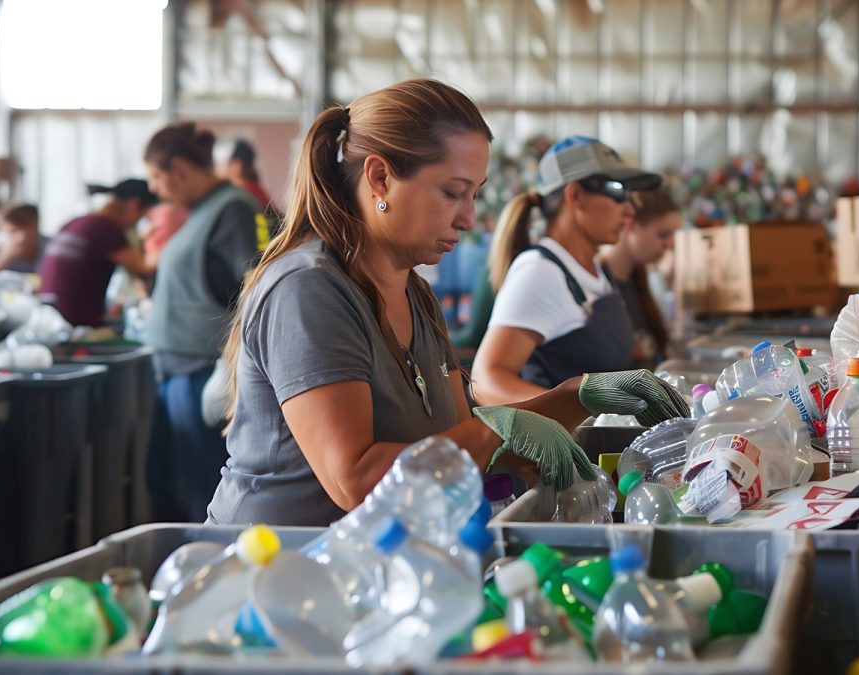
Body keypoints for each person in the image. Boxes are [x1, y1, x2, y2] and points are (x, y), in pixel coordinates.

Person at [206, 80, 688, 526]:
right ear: (380, 179)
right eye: (453, 193)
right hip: (277, 571)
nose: (468, 217)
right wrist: (505, 428)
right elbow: (354, 479)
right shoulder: (309, 290)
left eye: (474, 195)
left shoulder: (413, 292)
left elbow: (463, 441)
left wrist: (572, 397)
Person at [470, 136, 663, 406]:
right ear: (575, 196)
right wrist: (584, 419)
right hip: (566, 445)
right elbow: (486, 380)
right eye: (618, 191)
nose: (629, 209)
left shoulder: (596, 270)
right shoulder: (540, 272)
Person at [143, 122, 269, 521]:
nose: (154, 189)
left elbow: (258, 286)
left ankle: (207, 566)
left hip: (200, 371)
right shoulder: (200, 213)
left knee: (200, 487)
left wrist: (232, 361)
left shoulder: (233, 209)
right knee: (177, 481)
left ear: (180, 169)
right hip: (177, 367)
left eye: (157, 177)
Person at [38, 181, 158, 327]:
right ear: (134, 205)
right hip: (78, 325)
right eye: (142, 218)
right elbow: (143, 269)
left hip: (49, 318)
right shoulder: (106, 228)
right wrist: (158, 239)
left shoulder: (76, 222)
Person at [599, 187, 682, 371]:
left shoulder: (639, 279)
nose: (670, 244)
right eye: (663, 234)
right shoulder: (598, 285)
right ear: (630, 225)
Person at [216, 138, 273, 210]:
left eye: (221, 163)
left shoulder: (244, 194)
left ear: (237, 165)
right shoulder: (252, 188)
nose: (217, 168)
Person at [0, 204, 47, 274]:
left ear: (36, 225)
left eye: (27, 229)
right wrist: (4, 258)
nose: (21, 238)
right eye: (13, 231)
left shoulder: (52, 247)